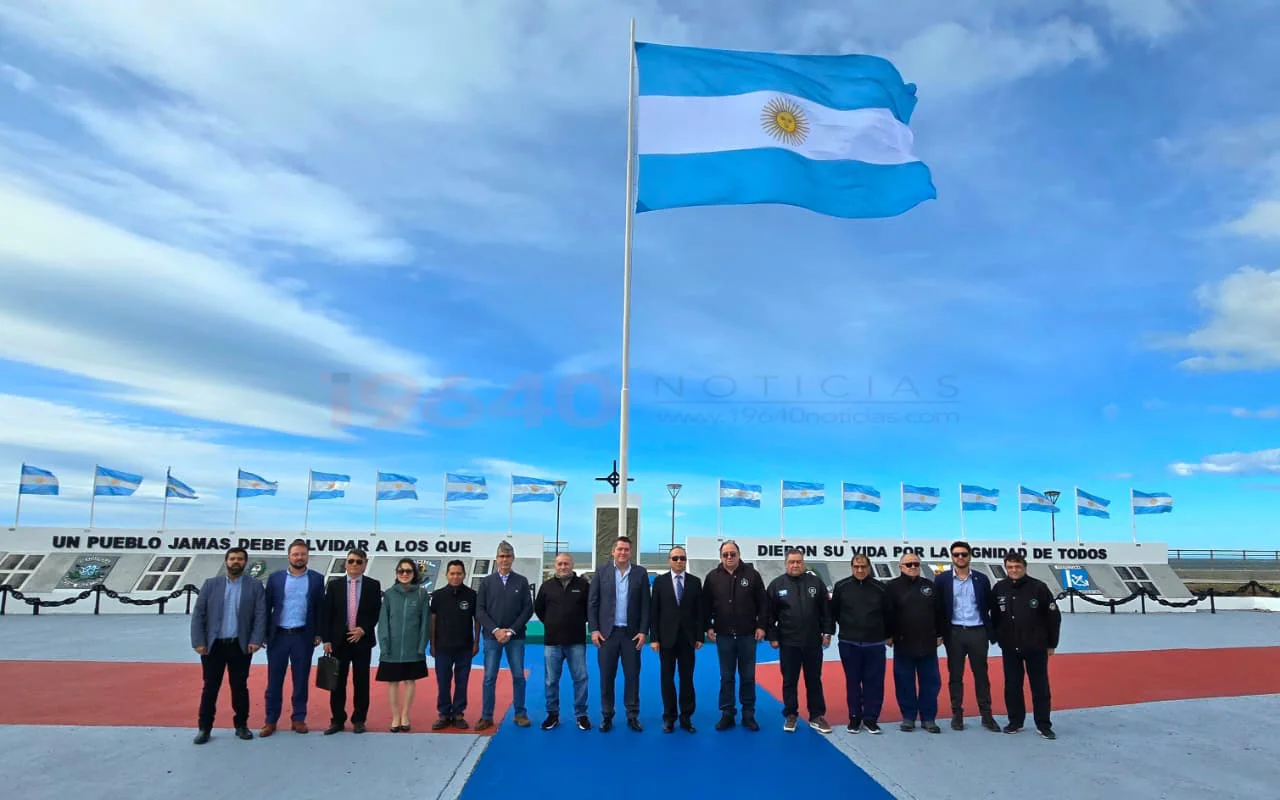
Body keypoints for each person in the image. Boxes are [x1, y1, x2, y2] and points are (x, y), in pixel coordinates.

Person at [190, 546, 266, 744]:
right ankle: (204, 728)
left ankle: (241, 725)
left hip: (240, 646)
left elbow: (260, 614)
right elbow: (199, 614)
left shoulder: (254, 585)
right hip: (213, 646)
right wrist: (198, 642)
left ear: (245, 563)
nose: (236, 562)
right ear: (226, 561)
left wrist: (256, 639)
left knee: (240, 687)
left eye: (240, 559)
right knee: (210, 688)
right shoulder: (211, 584)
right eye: (232, 558)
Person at [989, 552, 1063, 739]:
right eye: (1010, 567)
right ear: (1006, 568)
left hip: (1036, 646)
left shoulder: (1039, 588)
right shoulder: (999, 588)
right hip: (1010, 646)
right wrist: (997, 637)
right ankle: (1015, 721)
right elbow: (995, 616)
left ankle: (1043, 724)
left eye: (1018, 567)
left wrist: (1051, 643)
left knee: (1040, 687)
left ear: (1024, 567)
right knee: (1012, 686)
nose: (1014, 570)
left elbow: (1053, 616)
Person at [260, 538, 326, 737]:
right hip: (278, 636)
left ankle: (298, 718)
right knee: (274, 681)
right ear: (289, 556)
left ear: (307, 556)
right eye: (296, 554)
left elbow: (319, 608)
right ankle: (270, 721)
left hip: (302, 637)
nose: (299, 557)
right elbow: (266, 606)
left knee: (301, 680)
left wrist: (319, 633)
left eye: (303, 554)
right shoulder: (275, 578)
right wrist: (263, 634)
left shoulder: (316, 579)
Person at [933, 540, 1000, 732]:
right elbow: (938, 609)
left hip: (978, 632)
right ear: (952, 557)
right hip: (954, 634)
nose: (960, 557)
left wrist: (992, 632)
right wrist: (939, 634)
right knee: (955, 676)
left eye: (964, 554)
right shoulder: (942, 580)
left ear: (970, 556)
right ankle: (957, 715)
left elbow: (989, 606)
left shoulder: (981, 579)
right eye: (956, 555)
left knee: (981, 675)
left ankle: (986, 715)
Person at [765, 550, 834, 734]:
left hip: (812, 641)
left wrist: (827, 632)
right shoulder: (777, 585)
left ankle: (817, 716)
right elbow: (769, 614)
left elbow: (826, 610)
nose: (795, 565)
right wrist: (772, 636)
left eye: (798, 562)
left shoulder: (815, 583)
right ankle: (791, 714)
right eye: (791, 562)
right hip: (788, 642)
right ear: (785, 563)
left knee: (814, 680)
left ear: (803, 563)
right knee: (789, 680)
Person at [702, 540, 767, 731]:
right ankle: (727, 713)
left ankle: (748, 714)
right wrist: (708, 626)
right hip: (724, 635)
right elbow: (705, 605)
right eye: (725, 554)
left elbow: (763, 604)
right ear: (720, 556)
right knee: (726, 676)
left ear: (739, 554)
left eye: (732, 554)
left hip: (748, 635)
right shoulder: (713, 577)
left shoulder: (752, 575)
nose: (729, 557)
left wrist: (762, 626)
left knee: (748, 676)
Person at [588, 535, 650, 732]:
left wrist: (643, 631)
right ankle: (607, 715)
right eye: (619, 549)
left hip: (631, 635)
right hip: (608, 634)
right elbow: (593, 602)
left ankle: (632, 715)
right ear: (613, 551)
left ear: (630, 552)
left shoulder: (640, 573)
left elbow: (645, 606)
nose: (622, 552)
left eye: (626, 549)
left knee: (632, 676)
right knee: (607, 677)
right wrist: (595, 629)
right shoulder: (601, 571)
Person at [829, 554, 892, 734]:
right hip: (849, 643)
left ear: (869, 567)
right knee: (853, 682)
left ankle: (871, 718)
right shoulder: (841, 587)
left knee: (874, 682)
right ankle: (855, 717)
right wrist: (835, 631)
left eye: (863, 566)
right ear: (852, 567)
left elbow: (889, 614)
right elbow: (834, 612)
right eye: (856, 566)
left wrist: (888, 635)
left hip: (875, 644)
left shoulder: (880, 588)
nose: (860, 570)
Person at [321, 548, 382, 734]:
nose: (354, 564)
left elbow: (375, 611)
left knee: (361, 681)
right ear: (345, 563)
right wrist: (326, 639)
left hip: (362, 640)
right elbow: (327, 614)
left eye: (358, 561)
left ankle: (359, 719)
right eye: (351, 561)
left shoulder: (373, 585)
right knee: (337, 682)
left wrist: (363, 629)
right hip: (339, 641)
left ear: (364, 564)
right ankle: (337, 720)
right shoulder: (334, 585)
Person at [884, 552, 946, 733]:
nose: (913, 567)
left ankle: (928, 718)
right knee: (904, 682)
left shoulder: (929, 586)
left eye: (916, 564)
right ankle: (908, 717)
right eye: (909, 564)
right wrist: (888, 635)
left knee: (930, 682)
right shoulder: (892, 587)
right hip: (903, 642)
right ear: (901, 567)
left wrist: (940, 634)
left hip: (927, 643)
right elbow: (887, 613)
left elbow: (939, 612)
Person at [475, 540, 533, 730]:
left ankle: (520, 714)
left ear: (513, 558)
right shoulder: (486, 582)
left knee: (518, 676)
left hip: (515, 638)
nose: (504, 560)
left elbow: (527, 609)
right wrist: (496, 630)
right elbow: (480, 610)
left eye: (508, 556)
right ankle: (486, 716)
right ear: (496, 559)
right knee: (489, 677)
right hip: (492, 638)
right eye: (501, 556)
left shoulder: (522, 581)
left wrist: (510, 630)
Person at [534, 552, 592, 731]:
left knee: (580, 679)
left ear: (572, 565)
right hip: (552, 642)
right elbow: (539, 609)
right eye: (559, 564)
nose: (563, 567)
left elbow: (589, 609)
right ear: (555, 566)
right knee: (551, 680)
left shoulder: (583, 585)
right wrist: (553, 623)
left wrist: (574, 622)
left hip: (576, 641)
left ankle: (581, 715)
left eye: (566, 563)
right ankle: (553, 714)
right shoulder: (546, 587)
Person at [648, 546, 702, 733]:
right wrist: (653, 638)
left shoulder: (695, 582)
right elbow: (653, 612)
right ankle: (669, 717)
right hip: (666, 639)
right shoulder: (660, 582)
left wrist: (699, 636)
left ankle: (686, 717)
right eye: (675, 558)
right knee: (667, 680)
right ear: (669, 560)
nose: (679, 561)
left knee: (687, 679)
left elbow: (699, 613)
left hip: (688, 639)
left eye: (682, 558)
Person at [376, 558, 431, 732]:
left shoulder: (422, 594)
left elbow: (425, 623)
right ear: (397, 573)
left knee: (409, 681)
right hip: (391, 647)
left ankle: (405, 714)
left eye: (408, 571)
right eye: (401, 571)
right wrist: (384, 645)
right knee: (392, 682)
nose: (405, 574)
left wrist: (422, 646)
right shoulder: (389, 594)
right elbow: (383, 622)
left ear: (414, 574)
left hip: (412, 647)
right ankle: (395, 716)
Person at [430, 560, 480, 730]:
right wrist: (432, 643)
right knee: (443, 682)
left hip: (464, 647)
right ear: (447, 575)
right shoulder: (437, 595)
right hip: (442, 647)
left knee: (462, 681)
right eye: (452, 573)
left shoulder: (472, 595)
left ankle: (458, 713)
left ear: (464, 575)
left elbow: (477, 620)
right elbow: (433, 620)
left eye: (459, 573)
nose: (455, 576)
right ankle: (444, 714)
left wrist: (476, 642)